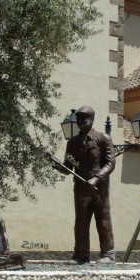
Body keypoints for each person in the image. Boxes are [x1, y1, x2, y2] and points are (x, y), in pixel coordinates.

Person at [53, 105, 116, 263]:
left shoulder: (103, 139)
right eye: (78, 120)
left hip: (99, 189)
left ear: (92, 120)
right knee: (81, 222)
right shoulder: (72, 143)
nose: (80, 122)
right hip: (80, 188)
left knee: (103, 220)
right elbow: (68, 168)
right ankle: (81, 255)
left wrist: (96, 178)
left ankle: (108, 254)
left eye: (84, 119)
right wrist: (59, 167)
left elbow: (110, 164)